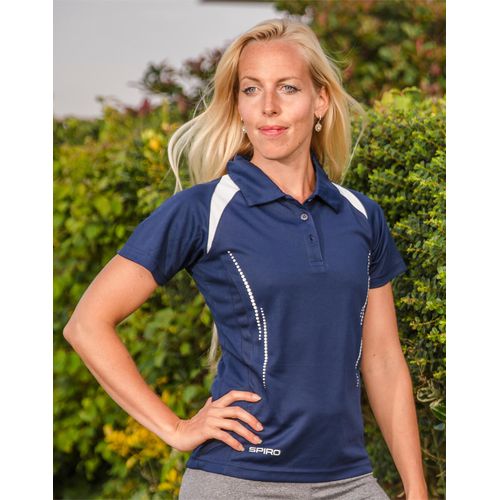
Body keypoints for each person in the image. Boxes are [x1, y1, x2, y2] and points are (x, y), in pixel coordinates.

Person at [63, 18, 429, 500]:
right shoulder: (203, 210)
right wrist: (176, 429)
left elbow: (382, 359)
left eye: (288, 88)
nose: (269, 106)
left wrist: (415, 488)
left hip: (350, 481)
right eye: (251, 89)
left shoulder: (361, 215)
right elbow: (86, 325)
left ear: (320, 100)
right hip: (236, 480)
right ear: (237, 106)